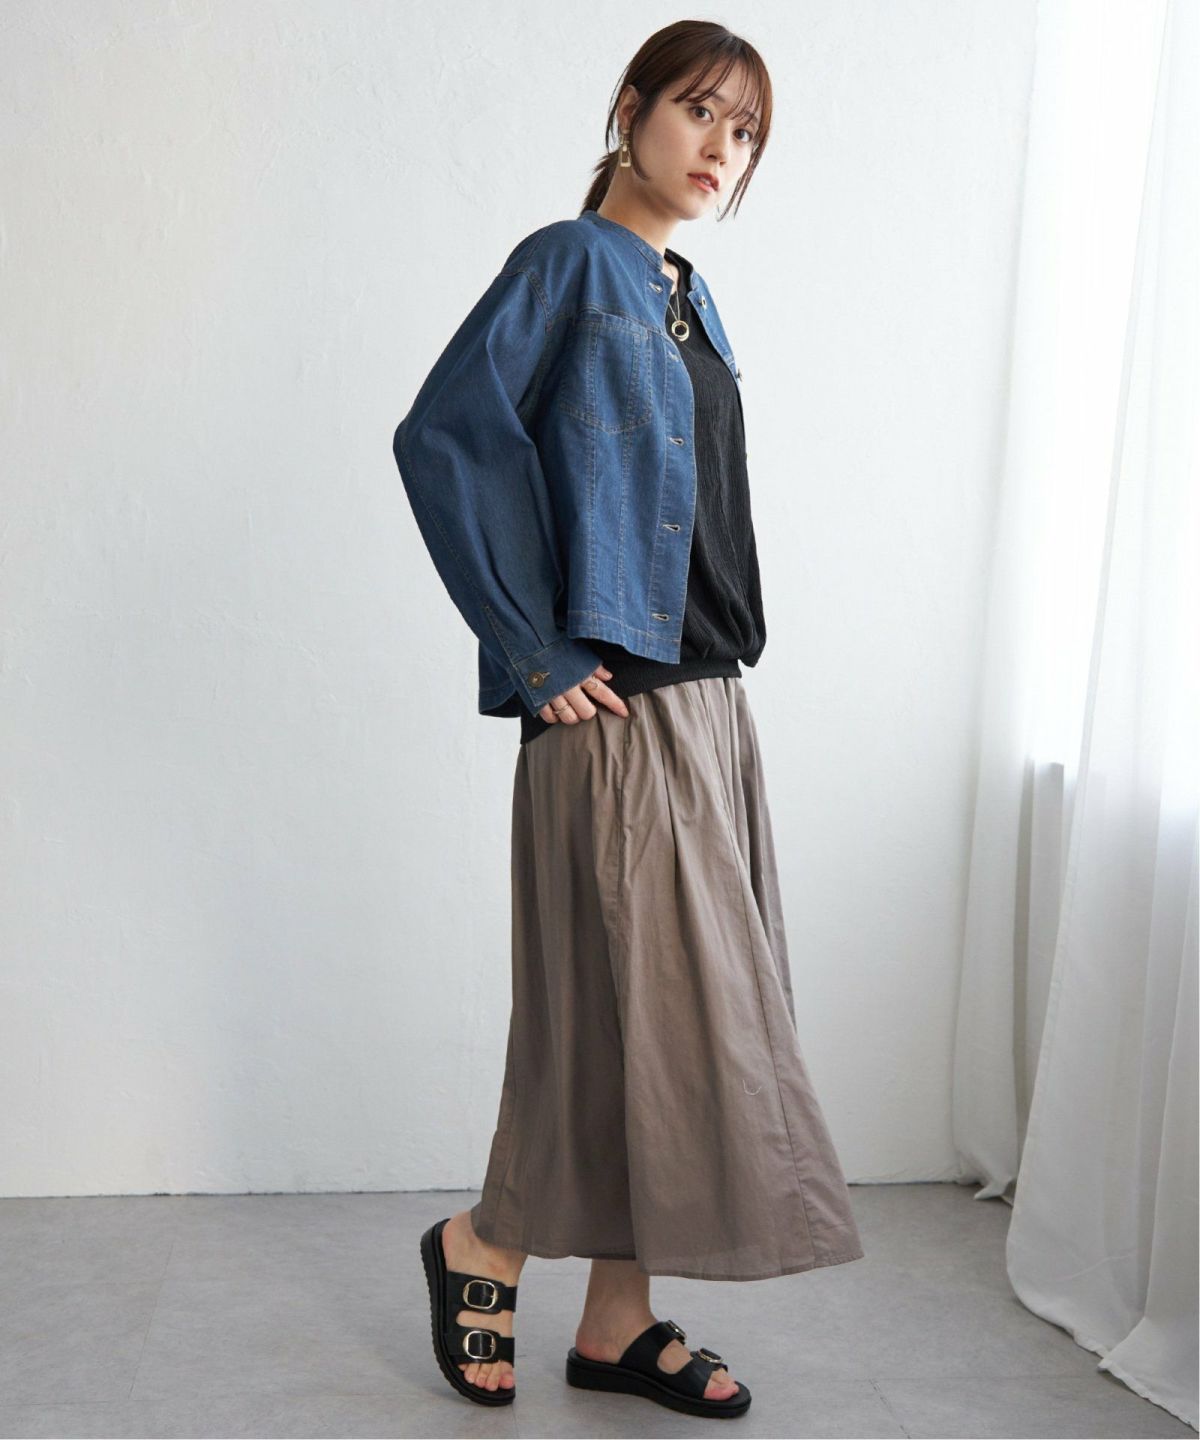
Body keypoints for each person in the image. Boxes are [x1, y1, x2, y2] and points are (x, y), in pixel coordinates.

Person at [396, 20, 864, 1420]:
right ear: (633, 107)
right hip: (613, 711)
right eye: (703, 112)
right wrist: (531, 649)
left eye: (747, 132)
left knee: (663, 1032)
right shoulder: (570, 263)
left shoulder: (688, 294)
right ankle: (484, 1243)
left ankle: (615, 1322)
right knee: (619, 1023)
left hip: (706, 702)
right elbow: (444, 435)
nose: (723, 149)